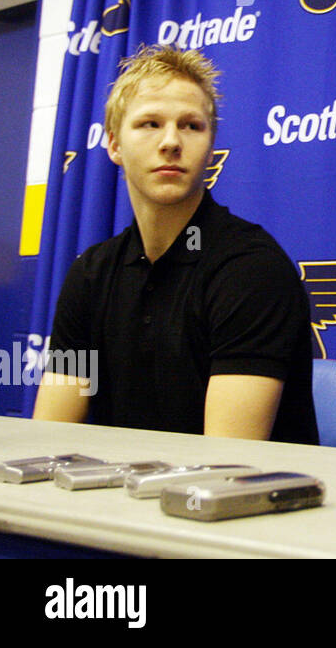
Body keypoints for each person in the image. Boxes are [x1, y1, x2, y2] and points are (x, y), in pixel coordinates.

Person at [34, 45, 318, 444]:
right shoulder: (90, 273)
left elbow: (227, 468)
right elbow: (50, 439)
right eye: (149, 124)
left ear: (211, 145)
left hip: (232, 497)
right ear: (114, 145)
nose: (171, 141)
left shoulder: (252, 270)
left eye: (191, 125)